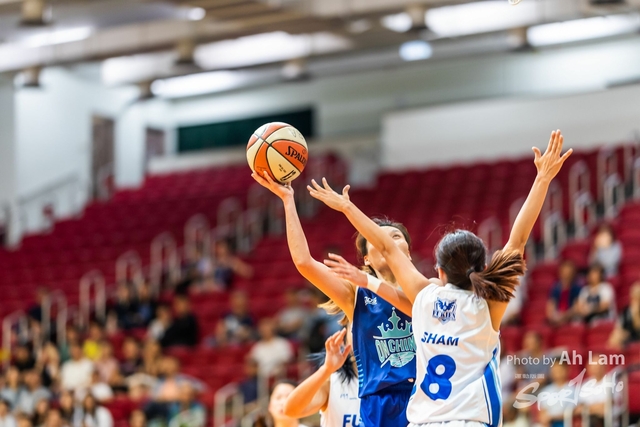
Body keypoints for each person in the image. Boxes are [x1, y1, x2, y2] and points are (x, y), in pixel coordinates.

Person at [310, 130, 571, 426]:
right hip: (472, 420)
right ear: (482, 267)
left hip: (426, 421)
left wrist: (347, 207)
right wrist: (542, 179)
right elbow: (518, 240)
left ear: (439, 270)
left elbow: (385, 247)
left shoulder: (424, 297)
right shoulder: (488, 305)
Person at [252, 170, 415, 427]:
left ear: (409, 252)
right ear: (367, 259)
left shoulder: (428, 290)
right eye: (378, 238)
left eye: (396, 237)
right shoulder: (356, 293)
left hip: (424, 397)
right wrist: (288, 200)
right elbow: (304, 263)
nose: (387, 242)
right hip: (379, 403)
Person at [284, 329, 360, 427]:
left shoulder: (381, 383)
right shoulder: (332, 382)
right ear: (345, 339)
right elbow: (291, 410)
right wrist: (326, 369)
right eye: (356, 328)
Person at [538, 363, 576, 427]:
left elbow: (573, 412)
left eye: (559, 370)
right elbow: (542, 413)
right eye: (554, 370)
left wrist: (553, 417)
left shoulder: (573, 390)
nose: (557, 373)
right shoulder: (546, 391)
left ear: (566, 370)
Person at [546, 260, 582, 326]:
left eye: (569, 272)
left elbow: (577, 308)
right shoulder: (555, 288)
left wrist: (564, 316)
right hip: (556, 319)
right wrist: (554, 318)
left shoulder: (577, 288)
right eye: (565, 272)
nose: (566, 275)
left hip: (571, 319)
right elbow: (550, 307)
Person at [608, 283, 640, 349]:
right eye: (634, 297)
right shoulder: (626, 311)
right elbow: (618, 329)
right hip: (629, 339)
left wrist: (636, 314)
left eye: (637, 297)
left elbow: (638, 329)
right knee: (616, 336)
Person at [578, 360, 609, 427]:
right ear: (588, 368)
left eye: (598, 366)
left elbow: (608, 406)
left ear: (604, 367)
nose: (596, 369)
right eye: (594, 366)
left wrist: (588, 409)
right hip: (589, 419)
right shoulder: (585, 384)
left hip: (606, 420)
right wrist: (596, 410)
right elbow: (580, 408)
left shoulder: (611, 381)